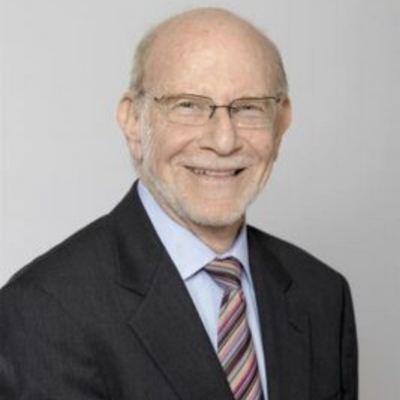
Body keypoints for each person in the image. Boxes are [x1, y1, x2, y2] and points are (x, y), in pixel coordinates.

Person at [0, 7, 357, 400]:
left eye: (249, 107)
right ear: (134, 121)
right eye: (188, 105)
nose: (224, 141)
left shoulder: (322, 296)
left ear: (282, 121)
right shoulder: (46, 310)